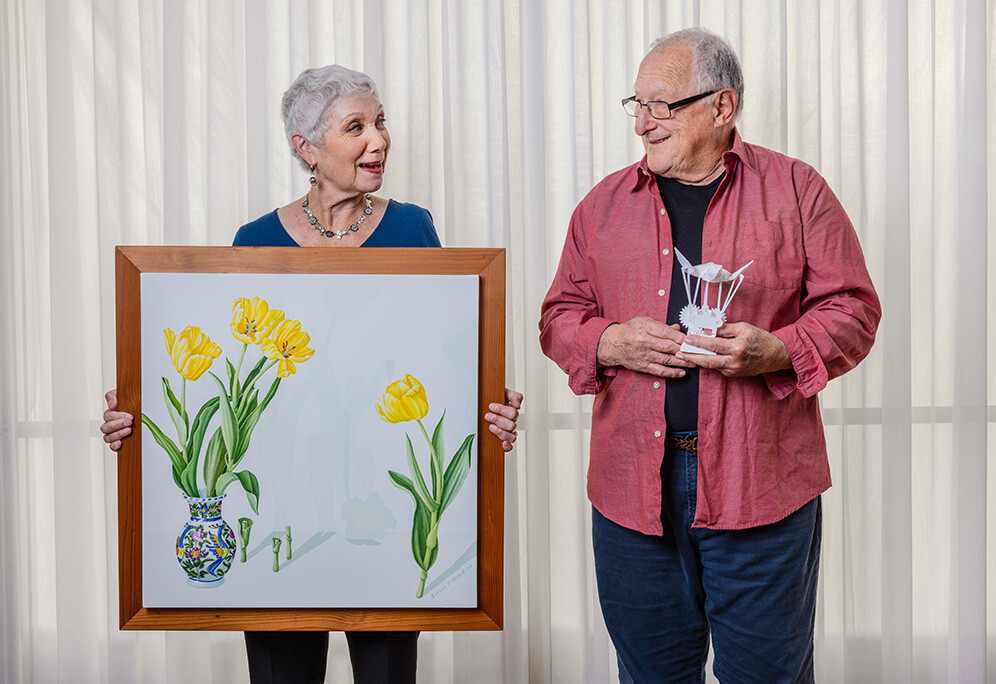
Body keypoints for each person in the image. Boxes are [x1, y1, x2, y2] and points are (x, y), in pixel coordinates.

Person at [101, 65, 523, 684]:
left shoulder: (415, 229)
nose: (378, 140)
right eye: (356, 127)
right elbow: (224, 370)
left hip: (380, 504)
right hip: (281, 502)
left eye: (380, 123)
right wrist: (139, 417)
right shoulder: (254, 240)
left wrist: (486, 405)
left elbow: (440, 354)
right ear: (306, 148)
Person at [539, 28, 880, 683]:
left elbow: (855, 311)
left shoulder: (798, 191)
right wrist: (610, 340)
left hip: (763, 488)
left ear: (722, 108)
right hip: (632, 495)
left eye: (660, 106)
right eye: (635, 105)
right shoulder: (602, 207)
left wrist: (778, 351)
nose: (641, 123)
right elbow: (560, 319)